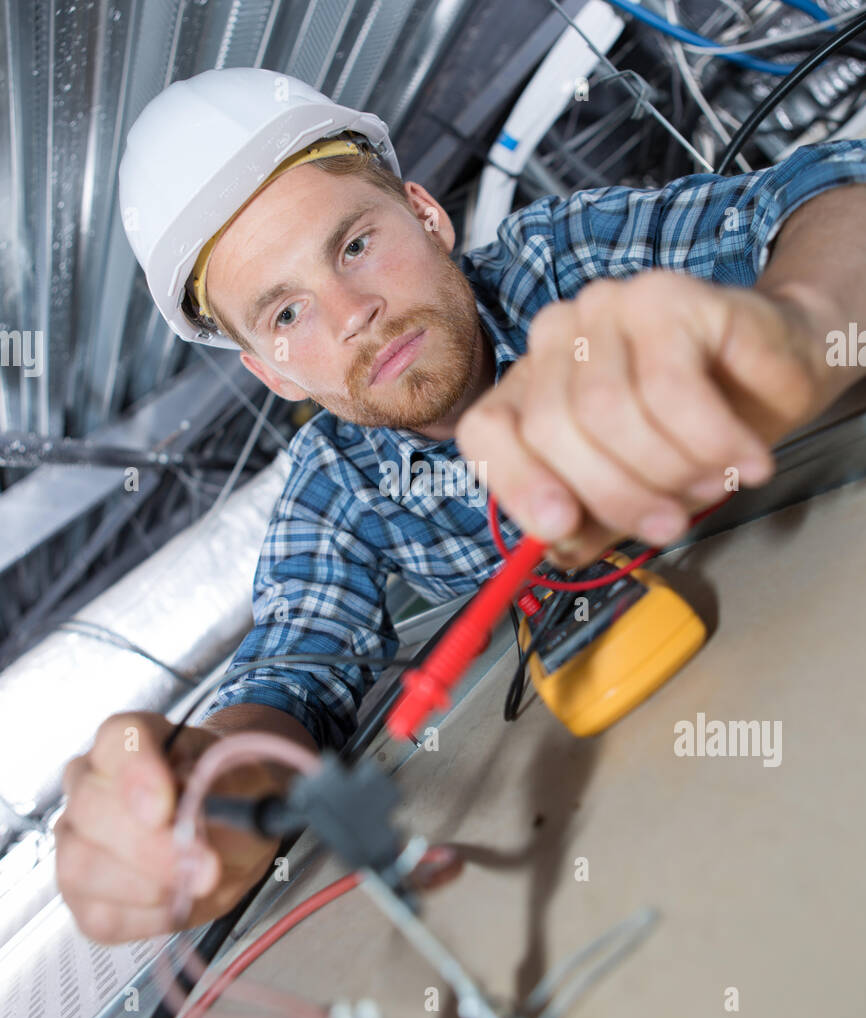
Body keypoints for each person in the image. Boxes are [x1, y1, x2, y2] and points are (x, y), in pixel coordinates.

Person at [56, 67, 866, 943]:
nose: (354, 313)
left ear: (426, 214)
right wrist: (209, 795)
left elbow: (826, 195)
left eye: (355, 246)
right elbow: (293, 676)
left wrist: (796, 323)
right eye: (288, 312)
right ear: (271, 371)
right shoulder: (339, 493)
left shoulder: (567, 264)